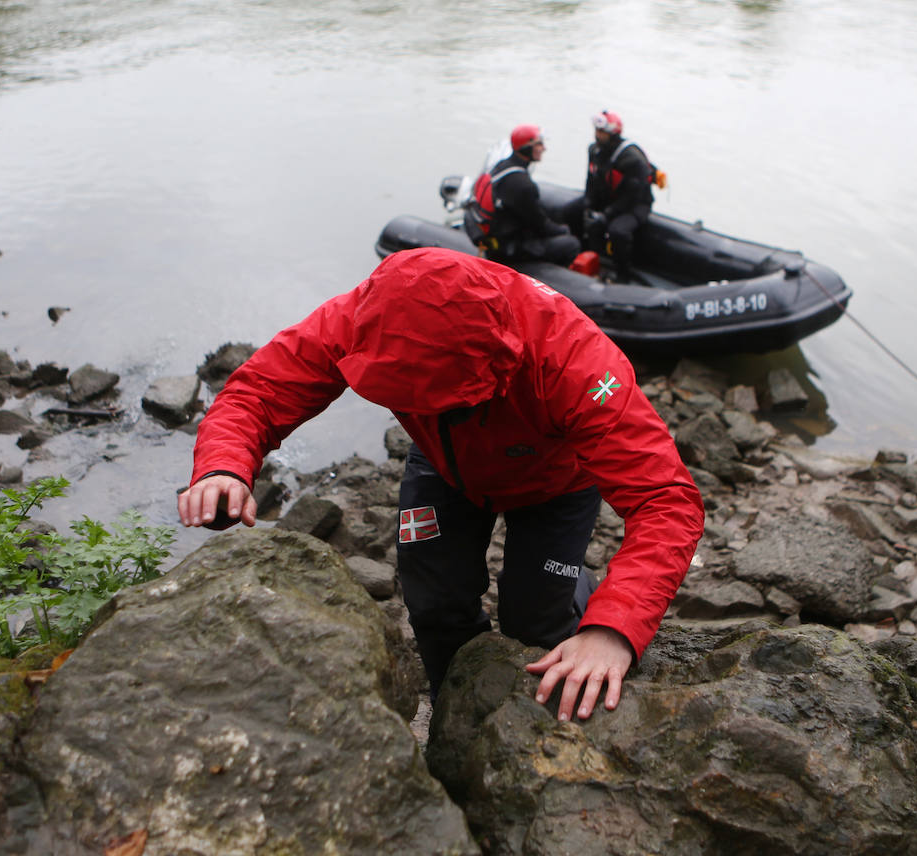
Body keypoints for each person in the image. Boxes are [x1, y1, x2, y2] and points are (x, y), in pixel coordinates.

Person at [177, 248, 703, 723]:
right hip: (444, 463)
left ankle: (578, 595)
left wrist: (613, 629)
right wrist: (223, 465)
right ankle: (456, 714)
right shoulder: (366, 317)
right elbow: (260, 390)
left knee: (535, 619)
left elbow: (665, 500)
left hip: (555, 482)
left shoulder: (574, 362)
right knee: (432, 600)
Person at [463, 124, 581, 267]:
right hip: (509, 248)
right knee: (571, 244)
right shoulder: (523, 185)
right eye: (539, 144)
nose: (544, 148)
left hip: (499, 233)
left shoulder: (502, 166)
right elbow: (539, 225)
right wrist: (563, 230)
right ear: (527, 148)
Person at [564, 110, 656, 281]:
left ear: (613, 133)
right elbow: (590, 180)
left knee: (618, 231)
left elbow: (632, 196)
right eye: (596, 131)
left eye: (602, 132)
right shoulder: (594, 150)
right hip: (607, 199)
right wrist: (589, 204)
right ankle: (579, 253)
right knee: (571, 211)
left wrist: (606, 215)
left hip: (634, 205)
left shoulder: (632, 160)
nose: (597, 135)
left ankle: (623, 274)